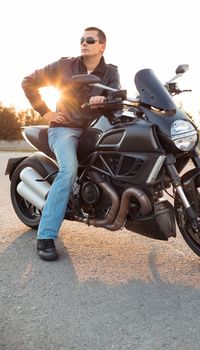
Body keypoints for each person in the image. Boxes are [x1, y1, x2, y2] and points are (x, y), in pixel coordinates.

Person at [22, 26, 121, 261]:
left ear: (102, 46)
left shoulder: (110, 72)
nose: (84, 43)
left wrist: (106, 99)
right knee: (68, 171)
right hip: (65, 129)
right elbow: (28, 82)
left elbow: (116, 96)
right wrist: (45, 112)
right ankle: (45, 236)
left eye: (89, 40)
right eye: (82, 40)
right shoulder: (63, 66)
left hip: (96, 129)